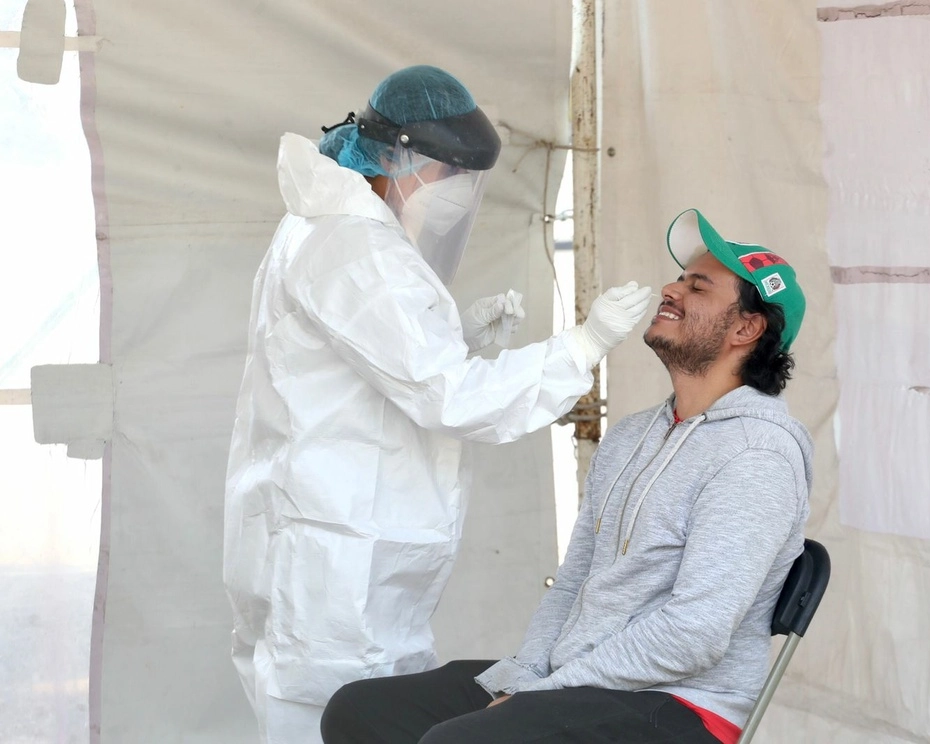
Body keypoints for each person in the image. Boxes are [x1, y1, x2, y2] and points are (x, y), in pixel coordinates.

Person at [223, 64, 652, 743]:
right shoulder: (354, 246)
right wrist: (581, 345)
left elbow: (380, 366)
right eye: (449, 175)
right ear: (395, 155)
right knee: (336, 718)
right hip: (335, 557)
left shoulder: (329, 225)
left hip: (328, 532)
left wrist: (455, 337)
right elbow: (449, 398)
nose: (456, 195)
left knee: (361, 712)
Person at [319, 207, 812, 744]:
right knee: (359, 711)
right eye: (678, 277)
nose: (671, 288)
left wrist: (547, 691)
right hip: (577, 682)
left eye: (698, 287)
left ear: (746, 327)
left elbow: (695, 633)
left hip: (683, 707)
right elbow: (573, 583)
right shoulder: (631, 435)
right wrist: (526, 676)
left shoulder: (757, 454)